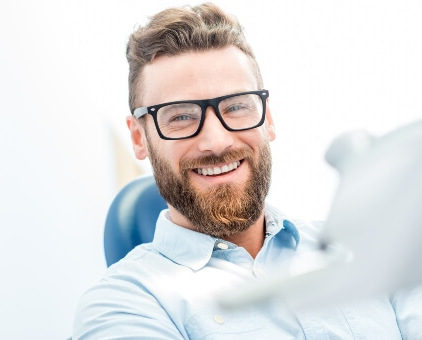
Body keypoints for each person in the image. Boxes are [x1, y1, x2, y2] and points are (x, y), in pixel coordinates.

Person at [73, 3, 421, 339]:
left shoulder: (364, 257)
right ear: (139, 138)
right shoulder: (121, 304)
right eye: (180, 116)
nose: (216, 141)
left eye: (237, 106)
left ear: (267, 118)